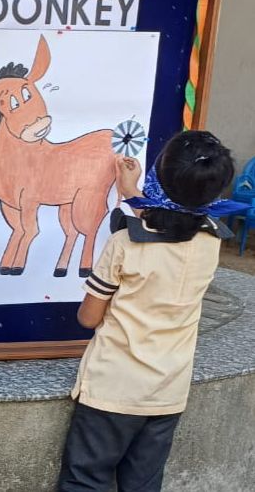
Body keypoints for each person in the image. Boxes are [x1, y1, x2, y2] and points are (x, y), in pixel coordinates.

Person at [57, 130, 247, 492]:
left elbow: (88, 317)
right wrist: (131, 193)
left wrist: (131, 195)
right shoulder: (210, 241)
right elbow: (174, 225)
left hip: (113, 388)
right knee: (143, 484)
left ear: (160, 175)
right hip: (167, 391)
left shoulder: (124, 243)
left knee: (86, 480)